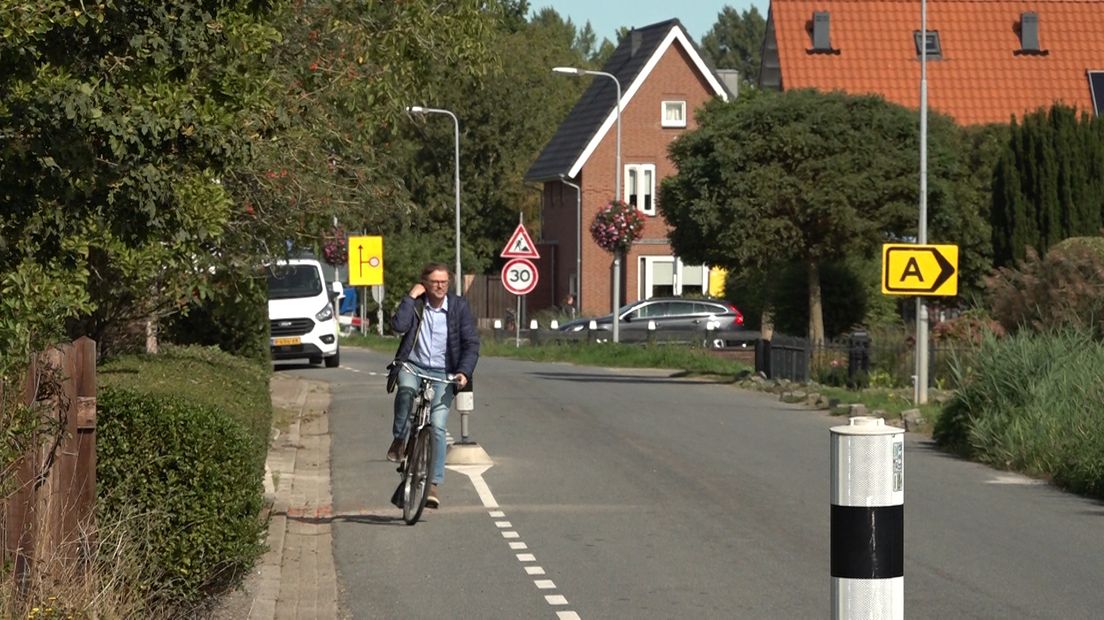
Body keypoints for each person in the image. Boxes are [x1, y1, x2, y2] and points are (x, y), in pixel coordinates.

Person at [387, 262, 480, 509]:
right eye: (435, 282)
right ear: (424, 284)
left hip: (444, 372)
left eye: (444, 282)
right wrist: (410, 297)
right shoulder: (417, 304)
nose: (440, 286)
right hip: (413, 366)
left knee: (437, 426)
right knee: (406, 392)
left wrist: (463, 372)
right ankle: (399, 439)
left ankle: (433, 483)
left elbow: (471, 343)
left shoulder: (459, 307)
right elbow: (398, 326)